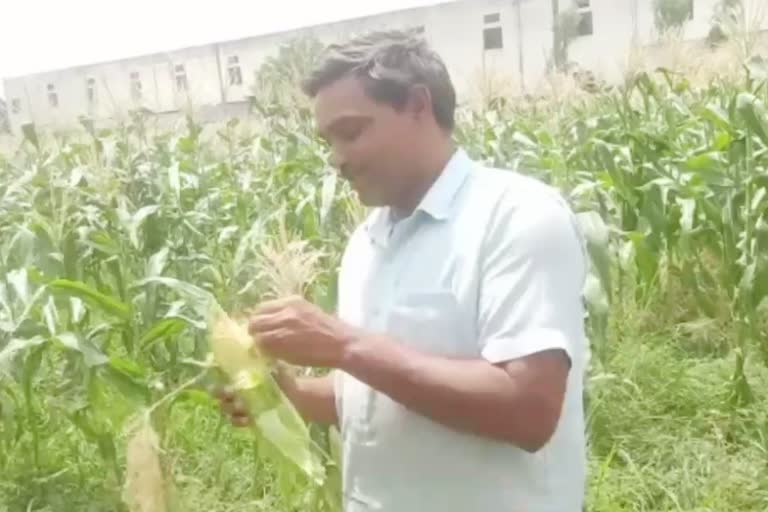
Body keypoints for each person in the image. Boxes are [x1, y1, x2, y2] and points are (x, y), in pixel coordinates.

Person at [218, 29, 589, 512]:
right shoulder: (366, 243)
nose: (337, 159)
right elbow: (375, 395)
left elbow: (528, 411)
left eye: (351, 132)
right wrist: (290, 394)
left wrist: (344, 345)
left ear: (418, 105)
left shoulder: (515, 215)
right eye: (328, 140)